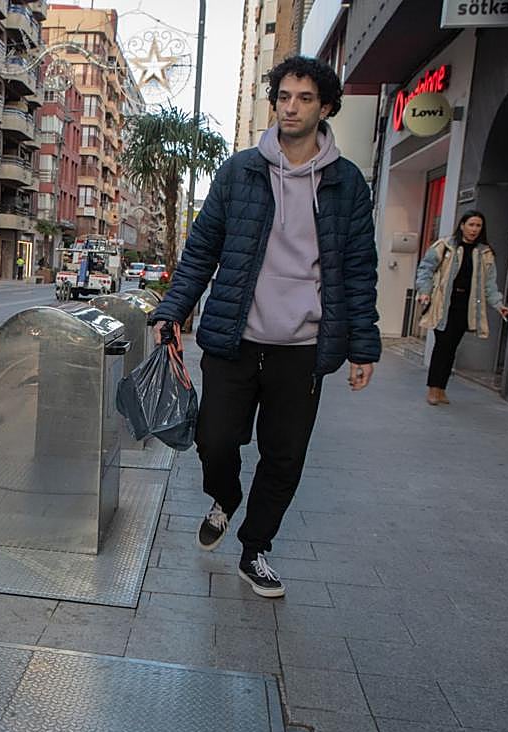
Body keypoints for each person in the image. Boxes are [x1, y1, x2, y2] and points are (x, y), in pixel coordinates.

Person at [149, 55, 380, 598]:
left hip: (302, 349)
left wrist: (364, 345)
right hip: (235, 338)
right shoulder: (240, 171)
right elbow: (202, 249)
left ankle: (255, 550)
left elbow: (359, 268)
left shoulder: (347, 183)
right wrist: (171, 310)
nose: (291, 107)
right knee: (215, 438)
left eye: (304, 98)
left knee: (284, 456)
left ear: (325, 107)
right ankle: (224, 497)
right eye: (284, 96)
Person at [414, 210, 508, 405]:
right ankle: (433, 389)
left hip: (465, 307)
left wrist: (498, 304)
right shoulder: (445, 246)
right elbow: (426, 269)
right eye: (471, 224)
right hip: (444, 304)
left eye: (478, 226)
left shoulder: (485, 252)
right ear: (462, 225)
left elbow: (489, 284)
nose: (474, 229)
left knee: (451, 348)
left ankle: (441, 389)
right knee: (442, 346)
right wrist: (424, 291)